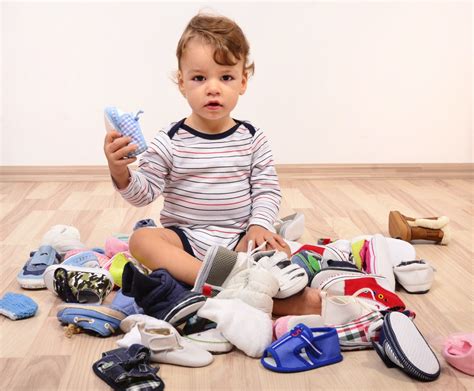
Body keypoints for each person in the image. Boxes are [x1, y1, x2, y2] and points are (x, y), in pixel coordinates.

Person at [103, 13, 321, 315]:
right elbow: (145, 193)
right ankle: (227, 285)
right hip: (186, 242)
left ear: (243, 81)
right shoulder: (170, 139)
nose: (213, 88)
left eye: (226, 77)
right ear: (182, 82)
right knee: (142, 240)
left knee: (279, 249)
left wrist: (258, 226)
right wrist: (120, 171)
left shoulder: (252, 138)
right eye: (199, 78)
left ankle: (224, 286)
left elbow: (267, 190)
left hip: (240, 241)